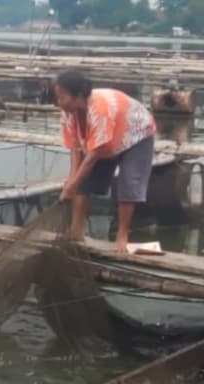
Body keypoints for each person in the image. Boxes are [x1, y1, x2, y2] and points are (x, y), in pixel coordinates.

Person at [53, 70, 157, 252]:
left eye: (63, 98)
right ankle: (76, 230)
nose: (59, 103)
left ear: (78, 96)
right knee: (81, 182)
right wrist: (71, 181)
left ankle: (122, 236)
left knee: (128, 183)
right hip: (107, 140)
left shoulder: (100, 109)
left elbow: (93, 155)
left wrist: (72, 185)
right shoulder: (68, 113)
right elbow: (75, 148)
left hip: (137, 135)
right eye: (58, 98)